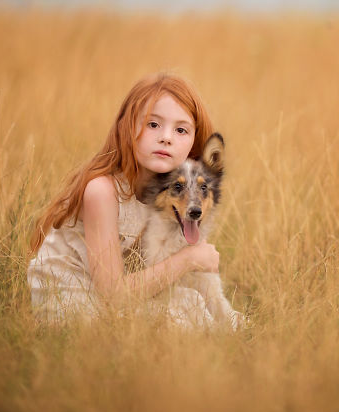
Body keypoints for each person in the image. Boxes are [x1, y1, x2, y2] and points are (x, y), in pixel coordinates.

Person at [27, 73, 224, 324]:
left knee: (189, 302)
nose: (166, 137)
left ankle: (239, 333)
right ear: (127, 127)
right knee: (183, 313)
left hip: (109, 296)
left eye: (181, 129)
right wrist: (189, 259)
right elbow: (114, 294)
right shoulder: (103, 191)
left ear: (193, 143)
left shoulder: (174, 196)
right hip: (69, 300)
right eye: (153, 125)